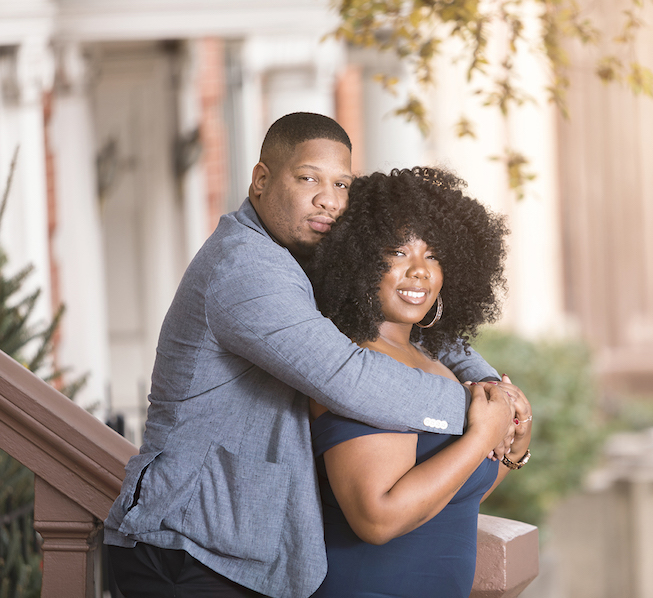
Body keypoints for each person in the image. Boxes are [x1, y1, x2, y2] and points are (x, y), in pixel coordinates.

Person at [104, 113, 516, 598]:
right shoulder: (247, 269)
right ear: (261, 181)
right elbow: (351, 377)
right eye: (308, 179)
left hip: (242, 554)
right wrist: (481, 415)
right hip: (184, 549)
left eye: (342, 183)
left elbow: (416, 328)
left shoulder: (301, 258)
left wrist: (490, 383)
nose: (329, 199)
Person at [307, 167, 533, 597]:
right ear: (358, 259)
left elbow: (449, 497)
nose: (419, 271)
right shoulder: (360, 366)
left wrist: (514, 449)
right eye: (398, 253)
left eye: (433, 256)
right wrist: (480, 434)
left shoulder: (432, 363)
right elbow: (378, 518)